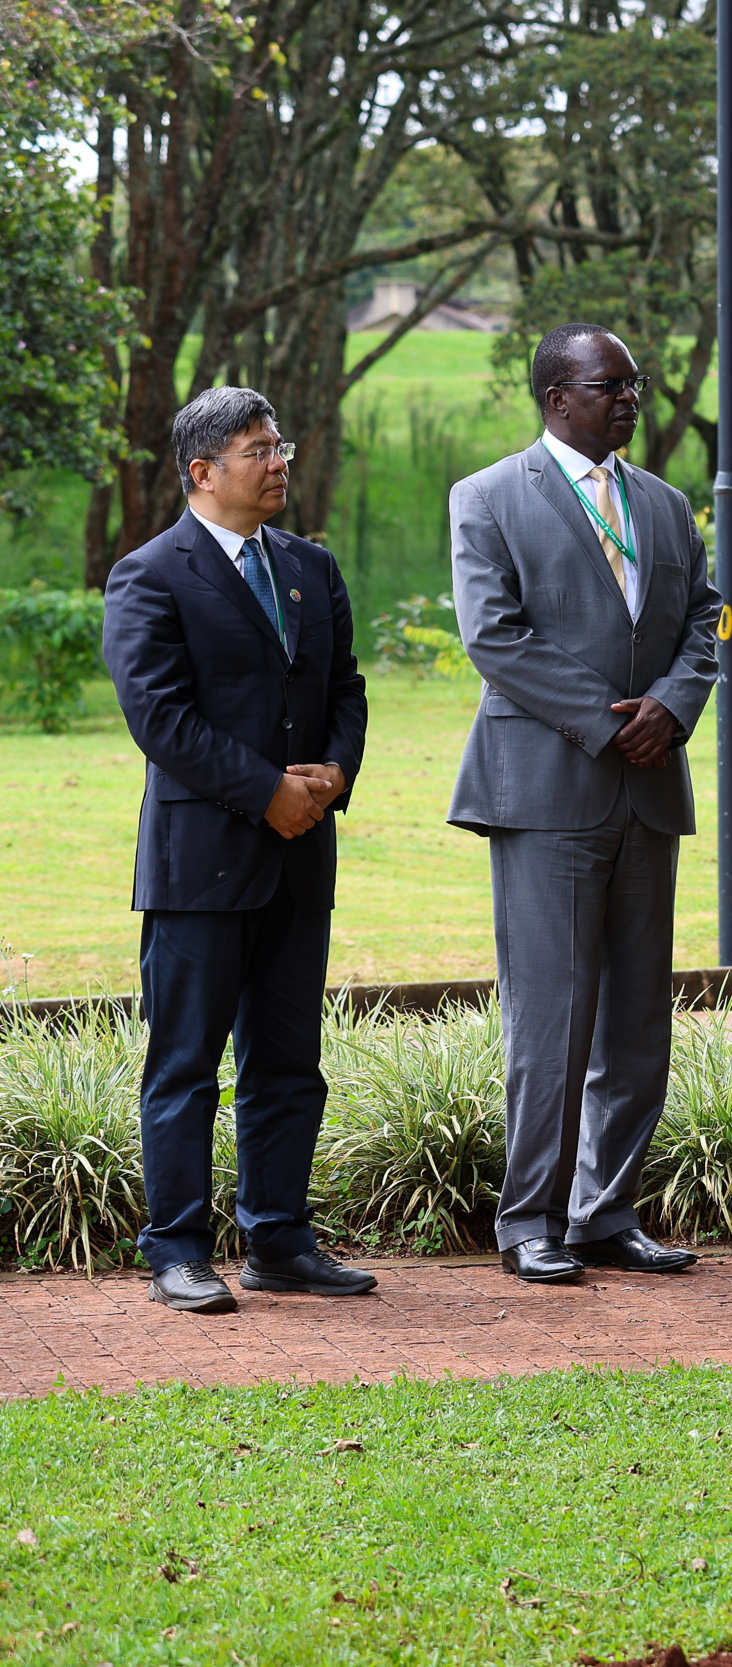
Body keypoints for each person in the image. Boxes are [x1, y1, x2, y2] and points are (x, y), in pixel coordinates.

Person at [446, 323, 722, 1286]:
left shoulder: (665, 502)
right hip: (547, 793)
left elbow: (706, 614)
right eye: (613, 386)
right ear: (559, 397)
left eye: (636, 384)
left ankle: (606, 1211)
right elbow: (496, 635)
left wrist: (675, 707)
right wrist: (609, 725)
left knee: (640, 1020)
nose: (632, 399)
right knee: (554, 1018)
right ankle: (531, 1219)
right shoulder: (485, 498)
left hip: (650, 787)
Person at [100, 386, 373, 1314]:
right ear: (202, 471)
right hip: (202, 868)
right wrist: (269, 794)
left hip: (301, 865)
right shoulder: (151, 574)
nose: (279, 461)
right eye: (258, 449)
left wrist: (331, 776)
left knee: (291, 1065)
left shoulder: (309, 566)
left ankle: (280, 1240)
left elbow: (346, 687)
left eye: (280, 444)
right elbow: (160, 718)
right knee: (185, 1066)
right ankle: (176, 1249)